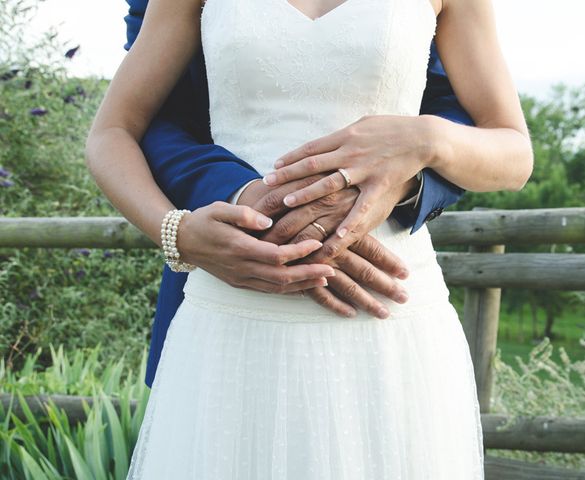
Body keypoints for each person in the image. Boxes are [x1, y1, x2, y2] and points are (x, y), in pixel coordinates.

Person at [86, 0, 533, 477]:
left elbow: (513, 151)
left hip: (388, 319)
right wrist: (177, 233)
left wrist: (427, 139)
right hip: (233, 315)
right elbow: (113, 130)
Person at [123, 0, 473, 390]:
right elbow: (144, 120)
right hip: (233, 286)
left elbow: (469, 117)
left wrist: (403, 176)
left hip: (388, 298)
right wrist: (202, 220)